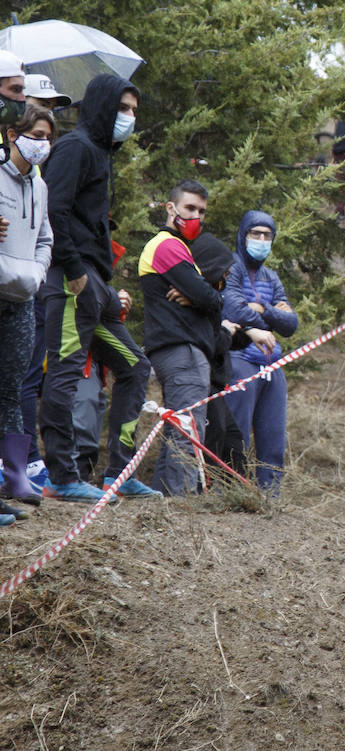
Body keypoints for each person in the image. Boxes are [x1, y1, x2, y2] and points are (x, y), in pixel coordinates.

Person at [38, 73, 158, 502]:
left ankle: (119, 475)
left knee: (135, 367)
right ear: (104, 106)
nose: (129, 118)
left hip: (98, 286)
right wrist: (73, 268)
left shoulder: (100, 155)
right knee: (66, 373)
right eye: (123, 109)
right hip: (73, 282)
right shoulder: (74, 147)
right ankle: (61, 477)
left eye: (134, 112)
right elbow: (54, 210)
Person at [138, 180, 225, 496]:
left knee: (181, 427)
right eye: (190, 208)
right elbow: (212, 300)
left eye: (201, 211)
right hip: (180, 348)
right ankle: (180, 504)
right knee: (189, 431)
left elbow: (208, 299)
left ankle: (164, 503)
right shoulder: (167, 245)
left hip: (181, 347)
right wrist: (204, 295)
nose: (196, 216)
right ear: (170, 207)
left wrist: (203, 296)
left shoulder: (180, 249)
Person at [0, 107, 55, 521]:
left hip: (23, 295)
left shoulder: (41, 186)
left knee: (12, 385)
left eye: (47, 136)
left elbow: (46, 238)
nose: (42, 144)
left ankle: (16, 473)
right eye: (35, 134)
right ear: (12, 133)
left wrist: (36, 274)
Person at [223, 210, 298, 494]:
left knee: (274, 438)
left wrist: (262, 309)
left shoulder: (271, 277)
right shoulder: (232, 267)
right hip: (238, 358)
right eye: (256, 234)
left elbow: (291, 323)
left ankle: (270, 499)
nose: (262, 240)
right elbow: (231, 308)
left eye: (267, 236)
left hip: (270, 362)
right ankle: (231, 493)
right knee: (236, 435)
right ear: (244, 236)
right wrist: (269, 316)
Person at [189, 232, 272, 482]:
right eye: (223, 273)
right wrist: (227, 330)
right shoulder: (194, 300)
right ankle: (204, 496)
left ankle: (235, 495)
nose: (225, 279)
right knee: (211, 444)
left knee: (233, 444)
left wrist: (246, 332)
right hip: (202, 384)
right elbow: (212, 342)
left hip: (216, 384)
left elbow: (224, 336)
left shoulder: (212, 299)